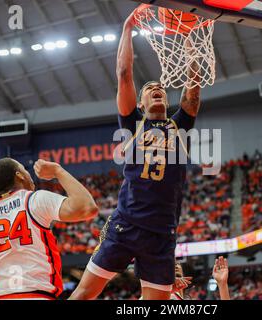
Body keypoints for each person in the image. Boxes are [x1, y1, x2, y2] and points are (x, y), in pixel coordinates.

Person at [70, 7, 201, 300]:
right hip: (125, 223)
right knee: (83, 295)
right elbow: (124, 73)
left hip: (162, 233)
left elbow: (192, 89)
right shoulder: (132, 124)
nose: (157, 89)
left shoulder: (179, 125)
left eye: (161, 88)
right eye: (150, 88)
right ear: (140, 103)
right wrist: (128, 28)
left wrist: (188, 36)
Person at [0, 158, 99, 300]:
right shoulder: (35, 200)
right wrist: (57, 171)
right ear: (20, 175)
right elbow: (87, 208)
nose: (29, 174)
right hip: (38, 295)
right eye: (24, 169)